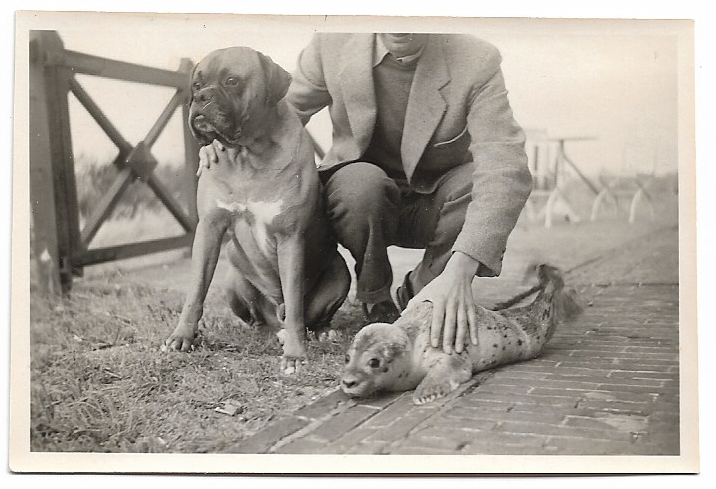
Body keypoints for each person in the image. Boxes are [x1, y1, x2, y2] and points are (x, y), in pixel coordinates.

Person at [199, 33, 532, 354]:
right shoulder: (331, 45)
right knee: (360, 184)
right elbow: (275, 112)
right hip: (361, 197)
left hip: (437, 201)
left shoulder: (477, 59)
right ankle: (374, 296)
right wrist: (224, 138)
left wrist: (461, 271)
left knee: (475, 183)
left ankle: (425, 294)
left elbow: (505, 163)